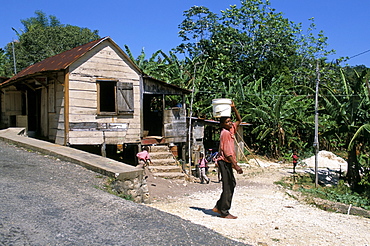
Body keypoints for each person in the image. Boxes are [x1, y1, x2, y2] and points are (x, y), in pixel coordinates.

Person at [212, 101, 243, 219]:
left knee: (231, 184)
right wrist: (236, 166)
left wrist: (234, 108)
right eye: (227, 122)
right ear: (222, 125)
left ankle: (219, 206)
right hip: (224, 161)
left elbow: (239, 120)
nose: (230, 123)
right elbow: (227, 152)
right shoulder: (225, 133)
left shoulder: (230, 130)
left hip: (227, 162)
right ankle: (224, 211)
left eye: (230, 121)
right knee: (228, 185)